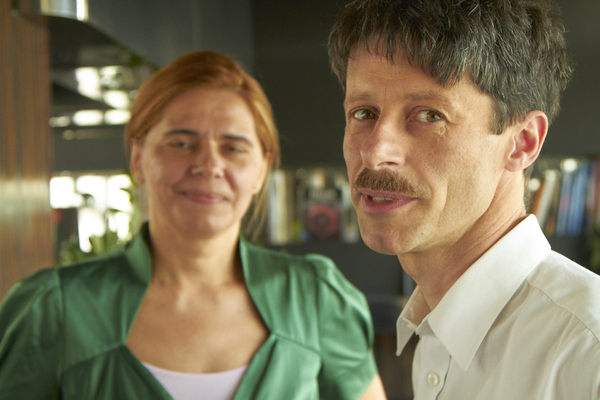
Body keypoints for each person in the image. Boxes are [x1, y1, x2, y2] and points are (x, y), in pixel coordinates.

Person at [0, 51, 386, 400]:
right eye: (182, 143)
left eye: (233, 148)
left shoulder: (315, 297)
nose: (209, 165)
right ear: (138, 158)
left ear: (261, 170)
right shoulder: (52, 308)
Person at [328, 0, 600, 399]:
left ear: (522, 143)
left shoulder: (588, 351)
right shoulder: (434, 328)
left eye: (429, 115)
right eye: (364, 113)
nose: (374, 152)